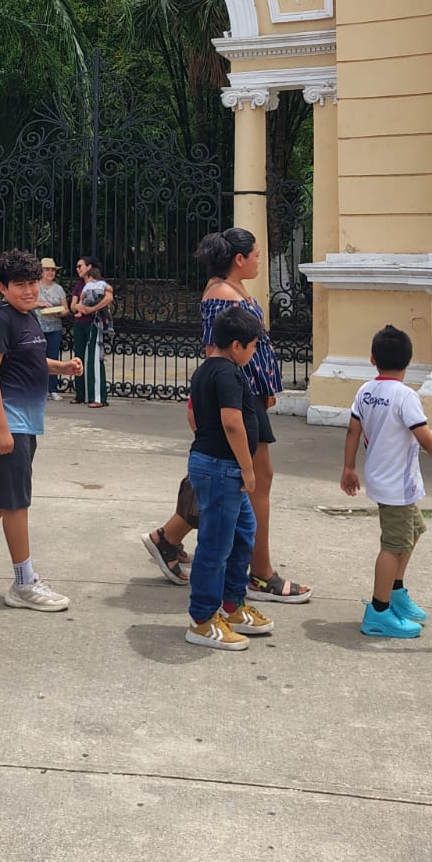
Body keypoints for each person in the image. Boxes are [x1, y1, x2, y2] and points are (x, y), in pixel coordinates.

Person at [143, 228, 312, 603]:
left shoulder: (231, 289)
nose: (258, 261)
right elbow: (215, 349)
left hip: (247, 395)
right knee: (252, 480)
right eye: (254, 255)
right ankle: (261, 574)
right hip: (238, 398)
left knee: (237, 479)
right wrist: (207, 404)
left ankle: (167, 538)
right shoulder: (221, 295)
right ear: (239, 259)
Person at [341, 324, 432, 638]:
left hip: (385, 480)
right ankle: (378, 611)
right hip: (396, 486)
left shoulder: (365, 391)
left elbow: (353, 431)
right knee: (393, 545)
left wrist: (349, 468)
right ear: (409, 361)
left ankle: (396, 592)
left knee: (414, 529)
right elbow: (427, 441)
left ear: (372, 358)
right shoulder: (405, 396)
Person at [0, 248, 82, 611]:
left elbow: (31, 360)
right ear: (2, 288)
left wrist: (61, 368)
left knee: (5, 495)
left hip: (27, 422)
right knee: (16, 501)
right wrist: (2, 427)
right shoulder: (1, 321)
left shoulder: (29, 317)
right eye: (19, 285)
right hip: (11, 423)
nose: (28, 291)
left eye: (32, 283)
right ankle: (24, 583)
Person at [184, 305, 275, 648]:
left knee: (242, 532)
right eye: (252, 346)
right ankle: (202, 619)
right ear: (236, 345)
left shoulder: (208, 369)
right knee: (216, 544)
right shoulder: (227, 374)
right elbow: (232, 422)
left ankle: (232, 604)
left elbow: (194, 415)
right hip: (224, 467)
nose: (253, 353)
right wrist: (248, 468)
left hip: (219, 465)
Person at [69, 256, 113, 406]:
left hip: (94, 322)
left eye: (80, 266)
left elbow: (109, 297)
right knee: (79, 357)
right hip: (80, 323)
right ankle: (81, 394)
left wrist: (92, 309)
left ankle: (98, 397)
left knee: (94, 358)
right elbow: (73, 305)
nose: (78, 269)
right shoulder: (79, 285)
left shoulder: (99, 282)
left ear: (89, 267)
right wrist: (79, 308)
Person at [35, 257, 68, 392]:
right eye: (47, 270)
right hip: (39, 326)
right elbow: (27, 303)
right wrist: (40, 304)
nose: (50, 273)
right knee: (37, 358)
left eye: (52, 270)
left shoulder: (58, 289)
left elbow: (66, 309)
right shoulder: (35, 286)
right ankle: (38, 388)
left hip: (55, 327)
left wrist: (59, 313)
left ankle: (52, 389)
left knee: (53, 357)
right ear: (41, 272)